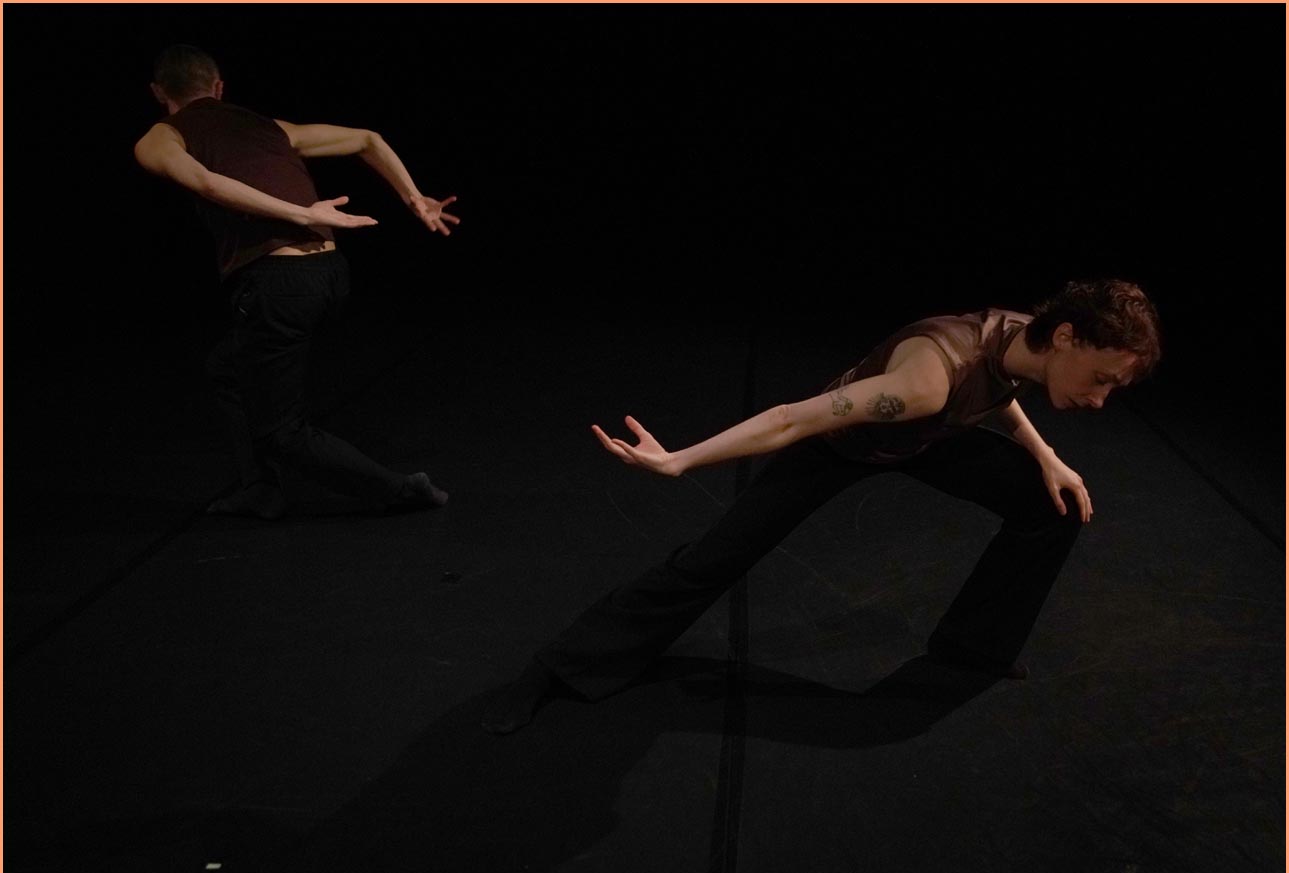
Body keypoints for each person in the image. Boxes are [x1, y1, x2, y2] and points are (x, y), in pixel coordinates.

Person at [482, 279, 1161, 734]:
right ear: (1066, 338)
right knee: (710, 562)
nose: (1100, 400)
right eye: (1100, 379)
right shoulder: (925, 382)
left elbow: (998, 388)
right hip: (845, 446)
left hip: (928, 439)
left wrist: (1045, 455)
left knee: (1052, 503)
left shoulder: (1025, 337)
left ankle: (971, 650)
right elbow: (791, 419)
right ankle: (558, 667)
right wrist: (680, 459)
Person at [134, 44, 460, 519]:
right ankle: (261, 489)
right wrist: (415, 198)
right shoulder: (272, 127)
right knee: (227, 367)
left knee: (280, 431)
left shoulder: (160, 137)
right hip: (329, 274)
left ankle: (400, 489)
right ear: (218, 87)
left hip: (281, 282)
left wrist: (301, 214)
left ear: (158, 92)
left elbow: (204, 182)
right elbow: (367, 139)